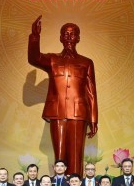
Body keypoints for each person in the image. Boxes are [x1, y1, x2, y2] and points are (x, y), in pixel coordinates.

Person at [28, 16, 98, 176]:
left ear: (78, 38)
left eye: (73, 34)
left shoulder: (86, 62)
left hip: (78, 113)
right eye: (65, 34)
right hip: (57, 112)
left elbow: (91, 91)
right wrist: (35, 36)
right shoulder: (52, 59)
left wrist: (94, 118)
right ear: (60, 37)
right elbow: (34, 58)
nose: (69, 37)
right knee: (59, 155)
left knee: (76, 154)